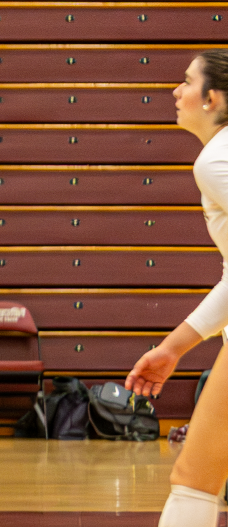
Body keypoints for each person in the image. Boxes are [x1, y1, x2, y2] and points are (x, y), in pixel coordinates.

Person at [127, 51, 228, 527]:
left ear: (211, 97)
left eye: (186, 82)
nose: (175, 90)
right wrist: (173, 348)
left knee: (194, 481)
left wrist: (173, 346)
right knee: (195, 478)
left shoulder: (216, 160)